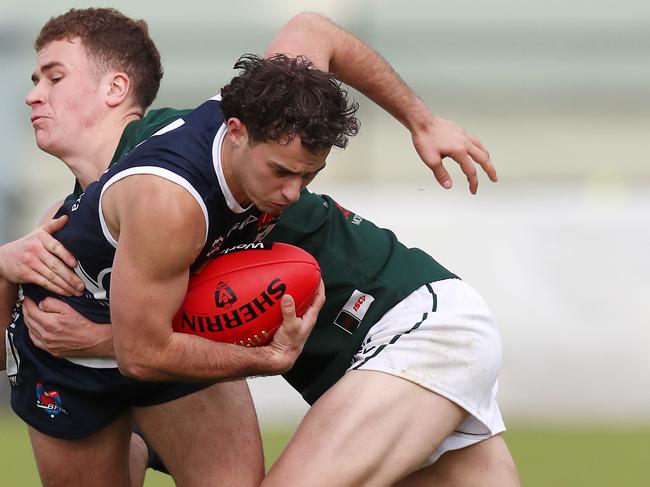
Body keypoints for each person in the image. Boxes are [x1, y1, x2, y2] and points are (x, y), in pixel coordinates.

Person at [1, 8, 517, 487]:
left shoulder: (247, 121)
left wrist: (420, 121)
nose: (34, 95)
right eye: (34, 79)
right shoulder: (91, 216)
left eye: (54, 76)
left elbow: (314, 29)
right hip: (358, 368)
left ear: (115, 88)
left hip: (410, 326)